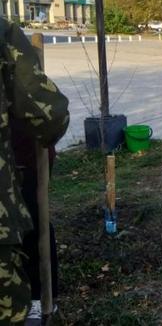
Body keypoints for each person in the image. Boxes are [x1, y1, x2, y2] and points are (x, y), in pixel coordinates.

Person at [0, 18, 69, 324]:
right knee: (32, 226)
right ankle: (40, 301)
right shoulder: (3, 33)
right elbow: (49, 115)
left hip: (22, 158)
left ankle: (42, 298)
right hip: (14, 175)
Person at [11, 122, 60, 326]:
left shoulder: (22, 88)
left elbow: (53, 117)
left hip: (26, 163)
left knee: (31, 225)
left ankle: (38, 298)